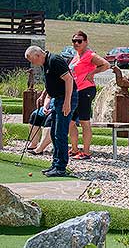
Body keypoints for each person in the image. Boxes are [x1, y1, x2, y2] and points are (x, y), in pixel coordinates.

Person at [25, 46, 78, 177]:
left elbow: (69, 80)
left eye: (32, 60)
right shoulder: (46, 63)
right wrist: (43, 95)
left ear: (38, 55)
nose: (33, 63)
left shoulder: (55, 60)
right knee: (54, 132)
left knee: (60, 133)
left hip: (65, 99)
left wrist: (67, 102)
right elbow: (50, 82)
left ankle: (61, 167)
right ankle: (55, 164)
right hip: (57, 99)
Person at [68, 31, 110, 160]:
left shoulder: (89, 54)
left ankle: (86, 152)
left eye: (79, 41)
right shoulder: (76, 56)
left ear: (86, 42)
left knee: (84, 121)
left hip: (86, 90)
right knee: (70, 122)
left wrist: (92, 73)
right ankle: (74, 149)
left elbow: (106, 65)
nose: (76, 43)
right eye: (74, 41)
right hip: (76, 91)